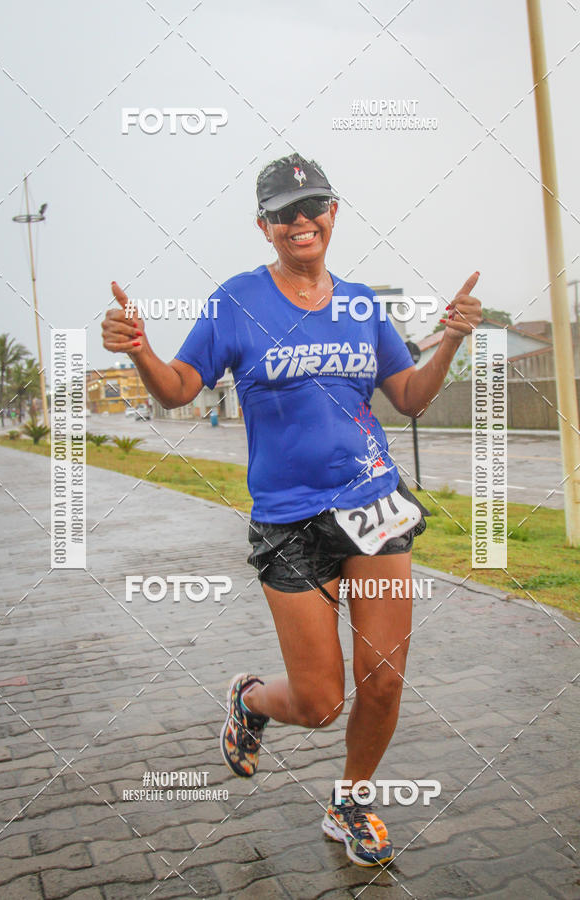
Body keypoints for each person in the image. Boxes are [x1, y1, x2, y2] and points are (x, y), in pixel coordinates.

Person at [102, 152, 482, 867]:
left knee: (384, 678)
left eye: (313, 207)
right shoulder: (237, 302)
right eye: (284, 213)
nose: (300, 221)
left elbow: (407, 396)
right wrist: (141, 351)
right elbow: (179, 388)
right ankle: (251, 700)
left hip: (374, 507)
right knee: (319, 703)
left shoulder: (362, 304)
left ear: (333, 214)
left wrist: (454, 337)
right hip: (289, 523)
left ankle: (351, 802)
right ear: (264, 226)